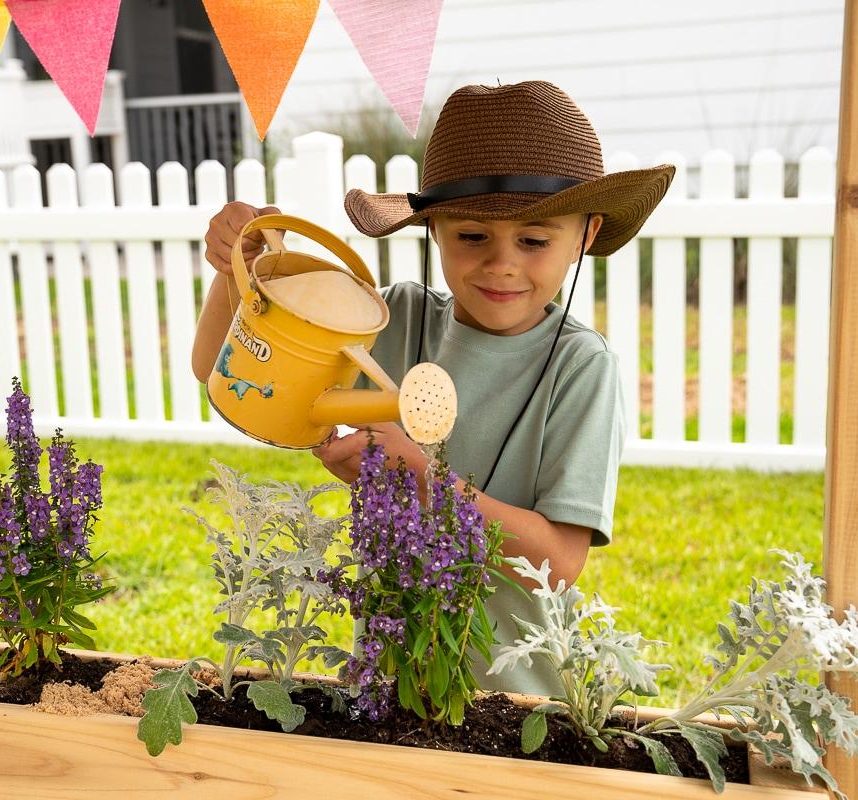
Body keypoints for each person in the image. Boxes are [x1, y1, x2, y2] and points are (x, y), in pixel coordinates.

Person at [193, 81, 673, 696]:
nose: (502, 263)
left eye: (534, 240)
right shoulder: (384, 321)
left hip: (519, 695)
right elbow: (223, 370)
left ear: (584, 235)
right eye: (472, 236)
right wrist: (239, 274)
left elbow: (557, 562)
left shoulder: (580, 366)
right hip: (391, 677)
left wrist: (421, 476)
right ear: (434, 229)